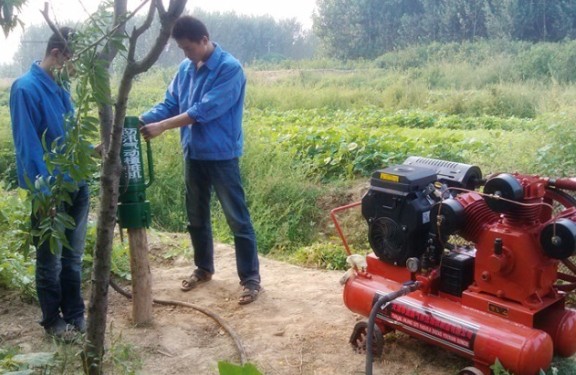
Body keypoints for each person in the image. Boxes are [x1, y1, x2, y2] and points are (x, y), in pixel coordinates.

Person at [140, 16, 261, 305]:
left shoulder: (229, 69)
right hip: (193, 154)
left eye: (188, 48)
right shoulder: (185, 69)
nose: (186, 54)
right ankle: (204, 268)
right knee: (196, 217)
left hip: (222, 156)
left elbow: (203, 110)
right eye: (182, 49)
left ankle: (251, 280)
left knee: (237, 218)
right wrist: (138, 121)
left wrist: (164, 127)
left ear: (204, 40)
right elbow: (170, 104)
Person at [10, 27, 89, 339]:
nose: (77, 68)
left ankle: (75, 314)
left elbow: (68, 138)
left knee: (72, 258)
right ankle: (52, 321)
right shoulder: (25, 89)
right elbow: (29, 149)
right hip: (51, 192)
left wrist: (89, 153)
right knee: (50, 260)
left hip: (77, 185)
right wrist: (45, 196)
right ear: (57, 54)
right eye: (75, 60)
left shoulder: (62, 87)